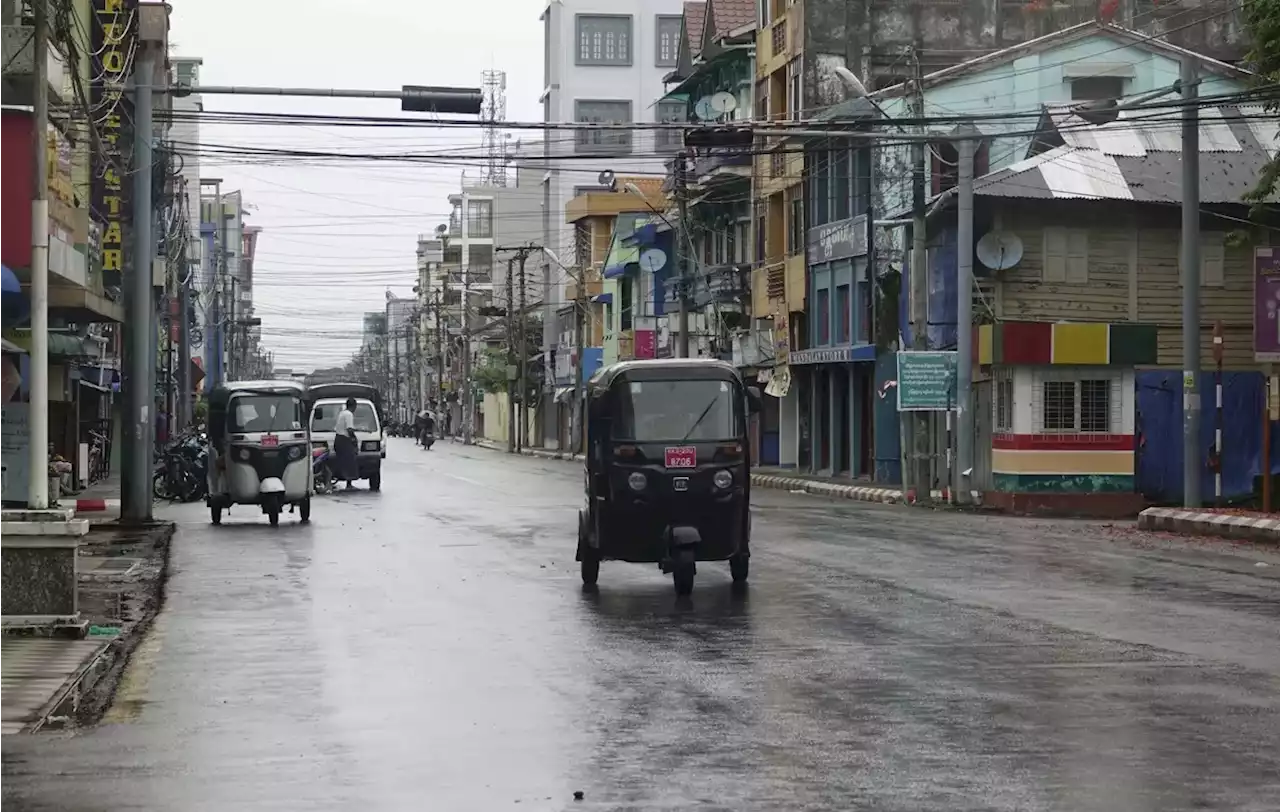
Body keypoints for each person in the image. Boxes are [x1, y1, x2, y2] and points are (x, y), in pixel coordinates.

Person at [332, 397, 360, 490]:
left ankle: (337, 479)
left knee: (342, 461)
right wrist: (354, 439)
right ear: (354, 406)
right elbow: (349, 429)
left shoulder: (342, 413)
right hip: (344, 440)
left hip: (338, 439)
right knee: (350, 461)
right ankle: (349, 483)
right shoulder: (349, 414)